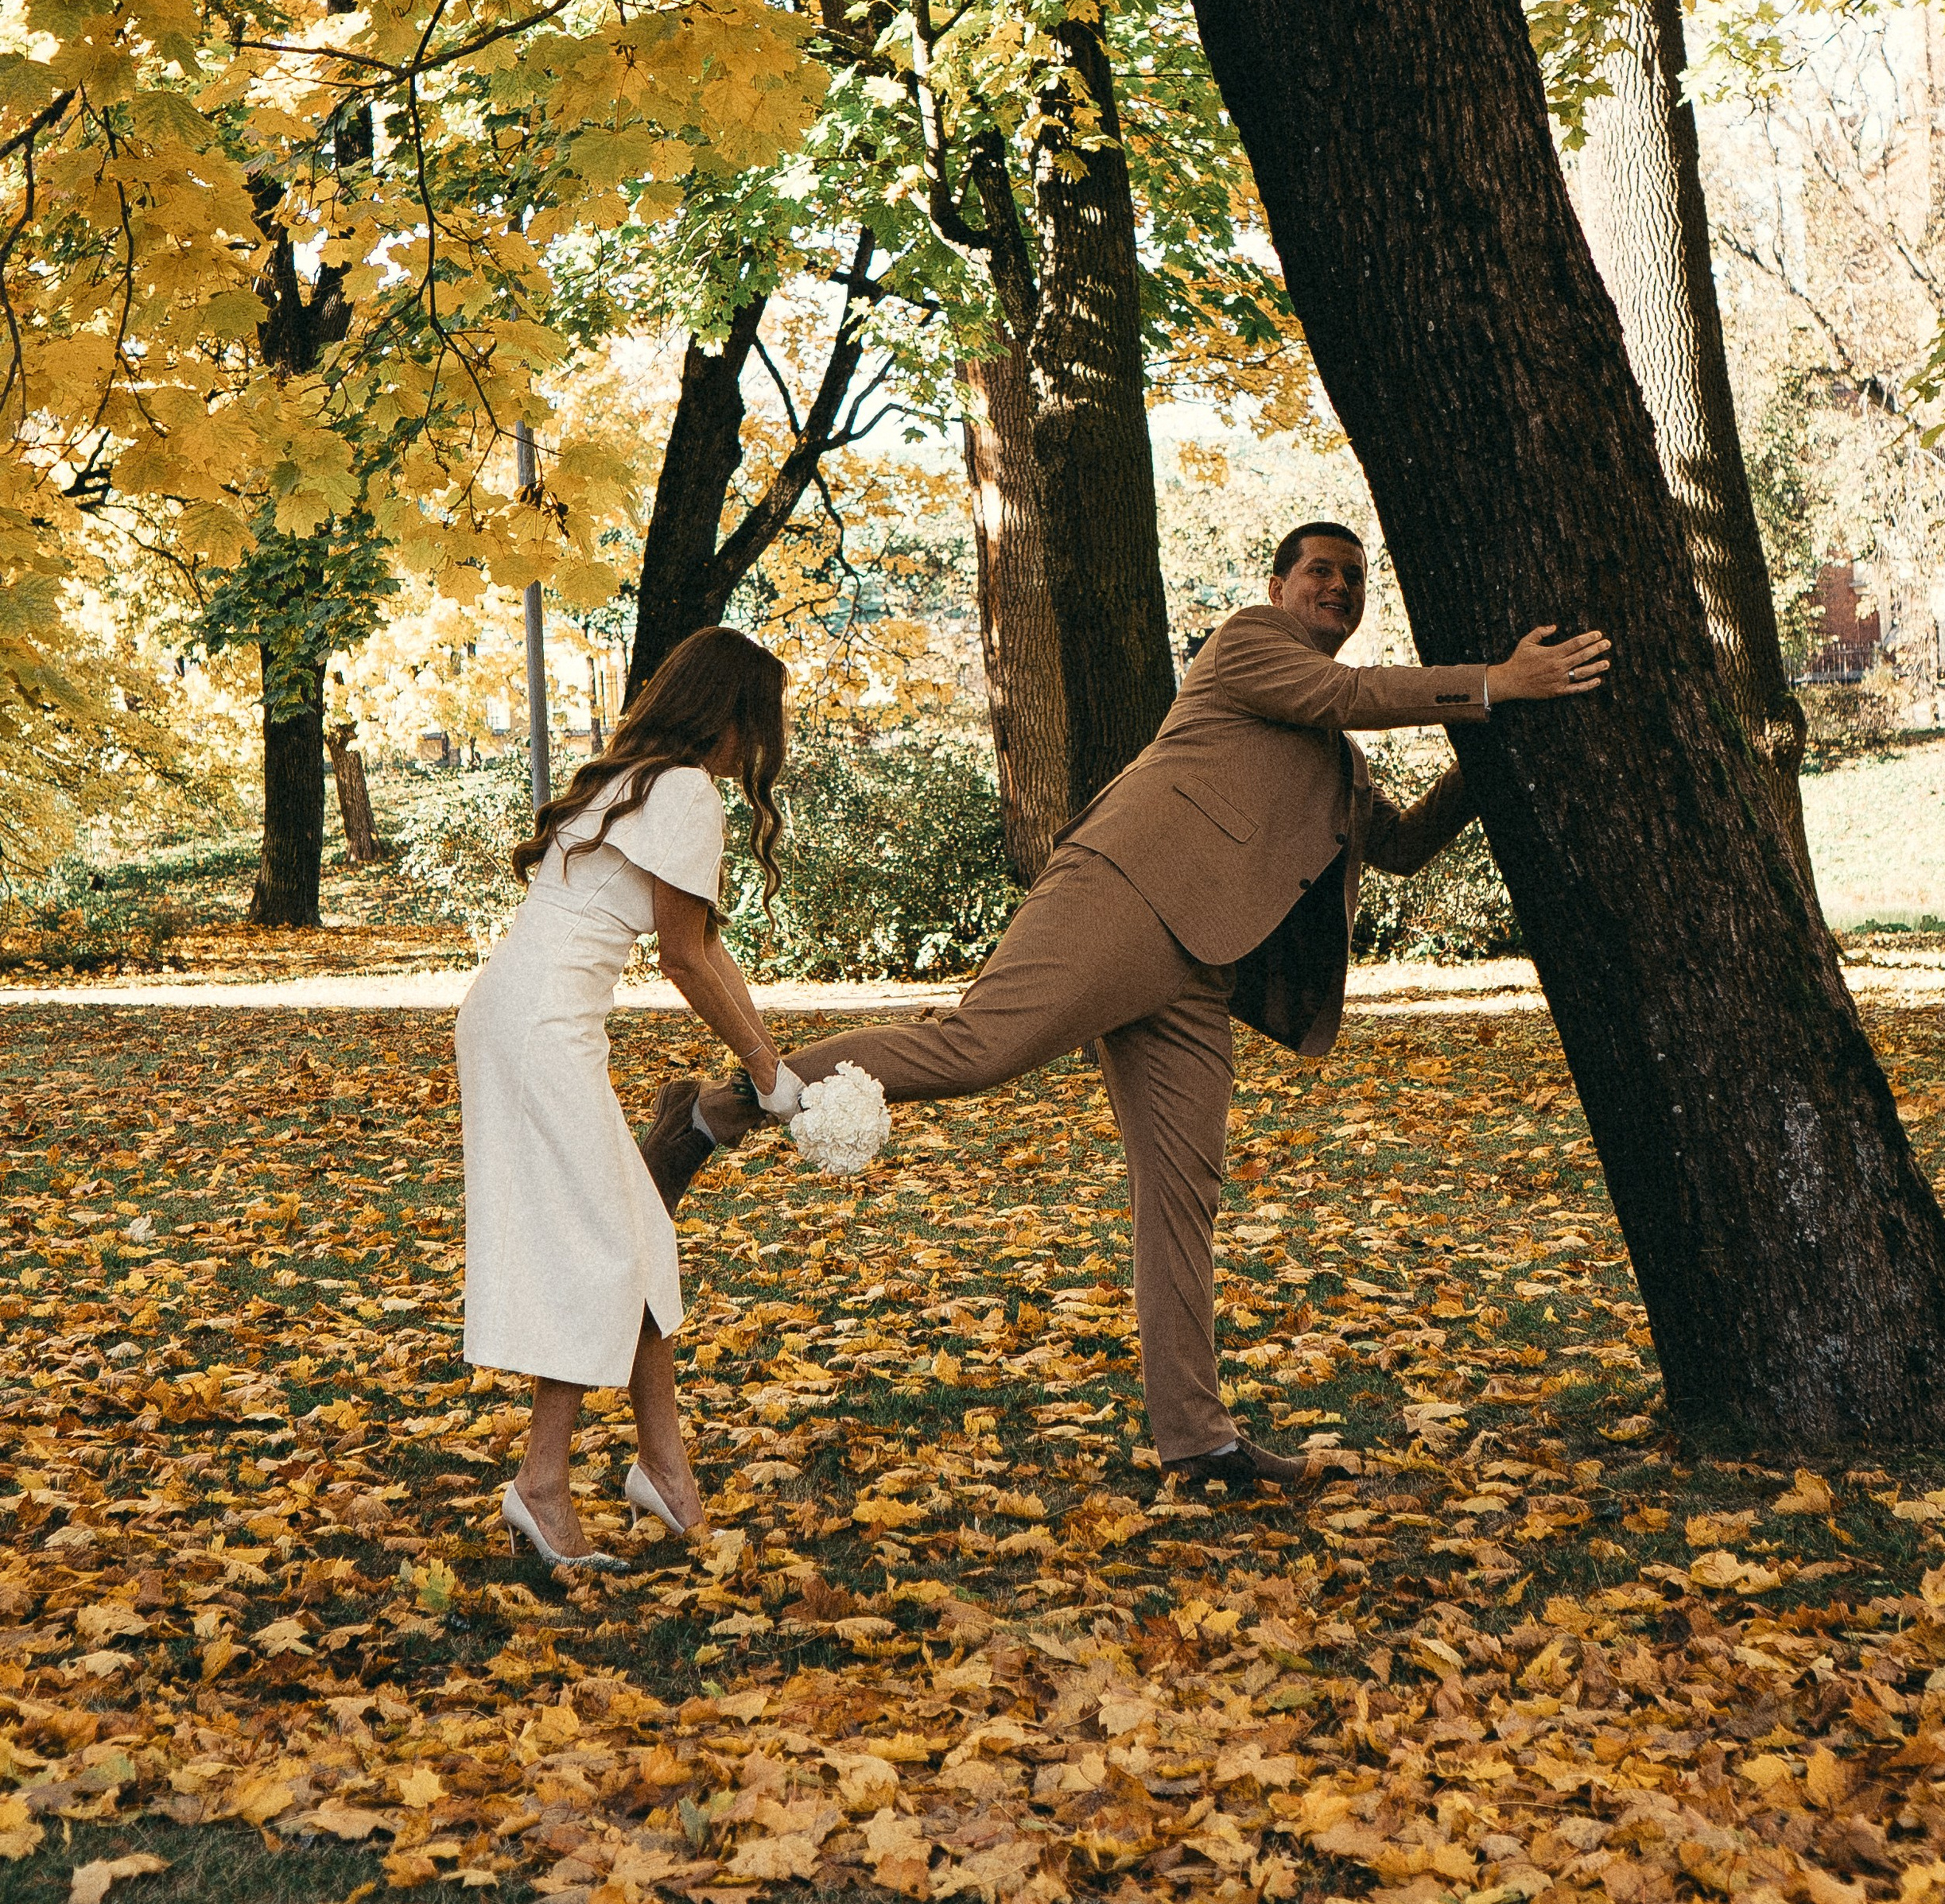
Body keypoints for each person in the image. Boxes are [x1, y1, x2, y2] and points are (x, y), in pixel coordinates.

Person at [665, 526, 1609, 1498]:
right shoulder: (1245, 645)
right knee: (971, 1049)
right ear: (1278, 586)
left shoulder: (1341, 763)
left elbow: (1401, 845)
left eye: (1353, 577)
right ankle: (718, 1110)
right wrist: (1497, 681)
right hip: (1120, 895)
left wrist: (1496, 743)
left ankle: (1198, 1445)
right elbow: (1344, 692)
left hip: (1203, 974)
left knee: (1181, 1199)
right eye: (1318, 571)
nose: (1337, 585)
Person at [457, 624, 805, 1569]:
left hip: (517, 1017)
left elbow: (703, 941)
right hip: (541, 1033)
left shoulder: (635, 780)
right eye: (759, 723)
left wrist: (770, 1059)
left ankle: (665, 1473)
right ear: (726, 715)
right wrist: (770, 1074)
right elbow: (683, 957)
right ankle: (539, 1483)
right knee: (608, 1247)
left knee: (641, 1239)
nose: (758, 748)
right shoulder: (684, 791)